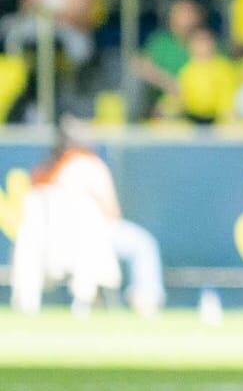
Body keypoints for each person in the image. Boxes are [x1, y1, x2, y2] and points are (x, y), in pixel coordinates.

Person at [8, 125, 164, 317]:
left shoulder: (45, 170)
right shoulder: (91, 166)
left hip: (51, 245)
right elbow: (111, 211)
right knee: (143, 243)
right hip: (91, 240)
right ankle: (145, 300)